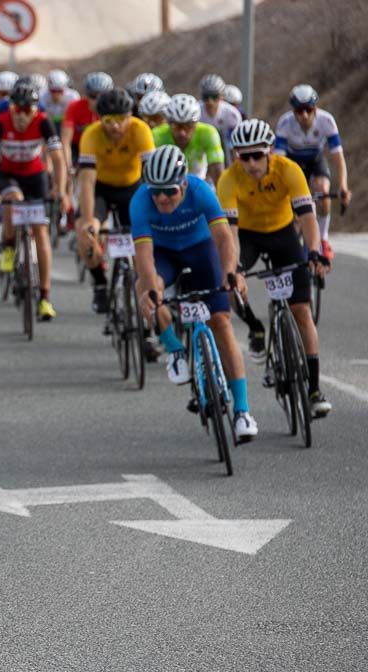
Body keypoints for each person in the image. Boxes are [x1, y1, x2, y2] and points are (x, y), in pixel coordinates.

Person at [132, 145, 257, 442]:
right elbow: (144, 255)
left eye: (170, 191)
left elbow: (224, 238)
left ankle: (242, 410)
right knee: (145, 287)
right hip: (164, 254)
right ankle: (174, 348)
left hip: (201, 251)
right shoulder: (140, 201)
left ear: (184, 184)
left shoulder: (201, 191)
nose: (162, 198)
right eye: (157, 191)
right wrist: (152, 290)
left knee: (221, 322)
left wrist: (231, 272)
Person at [217, 118, 332, 417]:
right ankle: (255, 327)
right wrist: (234, 269)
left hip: (283, 235)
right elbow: (229, 233)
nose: (252, 163)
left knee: (301, 310)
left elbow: (307, 217)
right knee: (229, 283)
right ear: (236, 156)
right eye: (245, 157)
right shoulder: (228, 179)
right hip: (248, 237)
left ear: (270, 151)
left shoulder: (289, 170)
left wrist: (315, 253)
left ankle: (315, 388)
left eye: (257, 155)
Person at [0, 78, 67, 322]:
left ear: (35, 109)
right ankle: (8, 245)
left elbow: (58, 158)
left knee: (40, 231)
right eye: (17, 109)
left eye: (27, 109)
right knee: (13, 200)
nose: (21, 115)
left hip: (35, 176)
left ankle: (45, 297)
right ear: (11, 108)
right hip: (7, 175)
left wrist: (59, 188)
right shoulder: (0, 122)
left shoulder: (42, 122)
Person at [75, 88, 155, 316]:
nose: (116, 126)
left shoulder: (141, 130)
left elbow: (151, 177)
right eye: (109, 120)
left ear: (131, 116)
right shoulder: (91, 135)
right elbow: (87, 181)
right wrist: (90, 220)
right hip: (101, 188)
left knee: (144, 235)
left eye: (122, 119)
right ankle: (99, 282)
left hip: (131, 188)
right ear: (100, 119)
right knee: (84, 231)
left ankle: (142, 283)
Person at [273, 84, 352, 261]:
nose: (304, 115)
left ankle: (323, 239)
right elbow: (278, 163)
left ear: (315, 107)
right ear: (293, 110)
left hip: (315, 160)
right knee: (292, 210)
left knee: (322, 191)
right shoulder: (285, 123)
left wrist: (343, 186)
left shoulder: (326, 121)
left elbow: (338, 157)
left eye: (308, 109)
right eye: (299, 111)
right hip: (292, 163)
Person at [152, 94, 225, 186]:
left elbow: (218, 175)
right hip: (168, 186)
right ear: (168, 124)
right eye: (176, 126)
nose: (182, 133)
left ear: (196, 124)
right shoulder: (157, 135)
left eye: (188, 126)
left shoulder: (208, 133)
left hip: (199, 184)